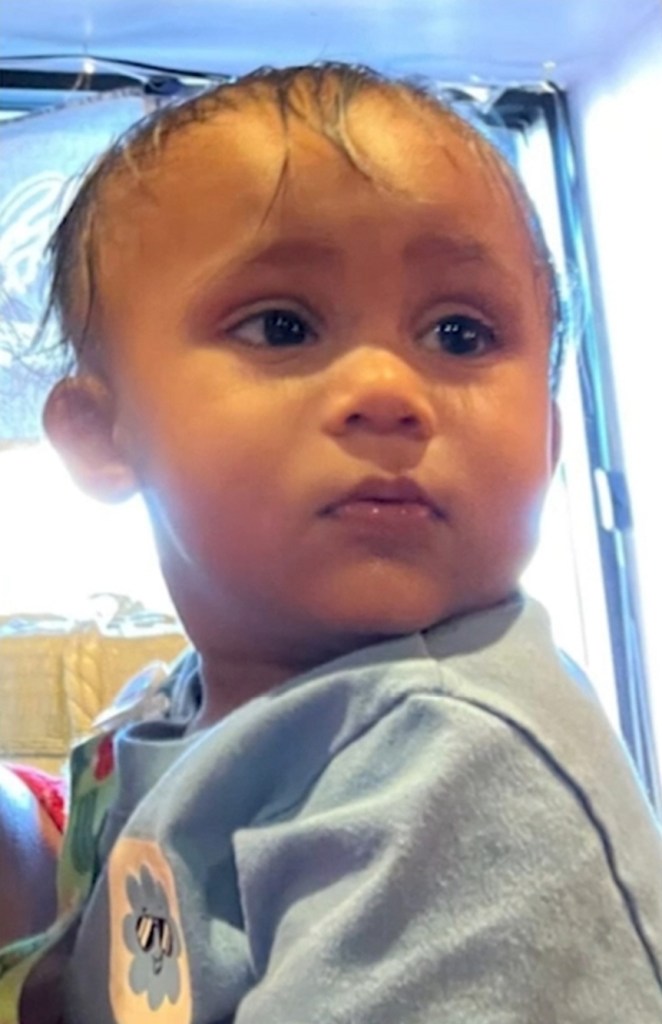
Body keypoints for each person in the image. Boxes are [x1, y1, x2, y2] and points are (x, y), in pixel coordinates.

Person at [1, 62, 660, 1023]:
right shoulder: (190, 703)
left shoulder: (454, 774)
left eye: (460, 333)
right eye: (283, 325)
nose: (390, 390)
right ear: (104, 437)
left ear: (552, 444)